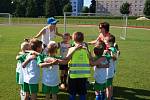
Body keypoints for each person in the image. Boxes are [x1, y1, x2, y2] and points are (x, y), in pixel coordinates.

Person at [66, 32, 91, 100]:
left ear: (73, 39)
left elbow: (67, 58)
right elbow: (91, 59)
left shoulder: (71, 49)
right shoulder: (86, 49)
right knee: (82, 93)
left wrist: (74, 49)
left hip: (73, 75)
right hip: (83, 75)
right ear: (83, 39)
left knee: (72, 93)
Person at [105, 34, 119, 100]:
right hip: (111, 70)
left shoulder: (111, 49)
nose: (105, 42)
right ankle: (110, 96)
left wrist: (107, 54)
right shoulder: (113, 48)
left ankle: (108, 97)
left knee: (108, 86)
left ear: (110, 42)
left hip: (109, 71)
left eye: (106, 41)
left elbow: (114, 58)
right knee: (109, 84)